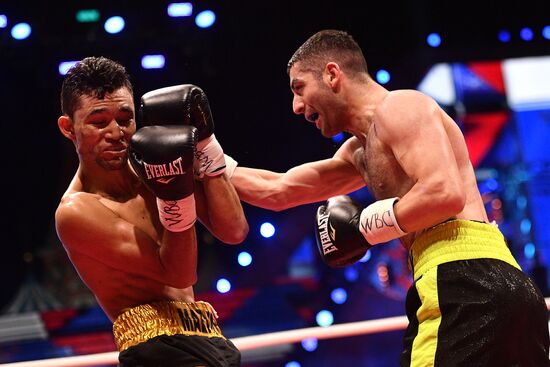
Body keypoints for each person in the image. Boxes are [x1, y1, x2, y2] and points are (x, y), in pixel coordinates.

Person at [228, 30, 550, 366]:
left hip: (464, 279)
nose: (296, 106)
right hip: (490, 283)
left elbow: (444, 192)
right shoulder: (360, 150)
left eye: (299, 88)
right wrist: (207, 161)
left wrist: (365, 227)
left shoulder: (400, 106)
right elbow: (280, 190)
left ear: (332, 74)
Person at [55, 56, 248, 366]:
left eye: (125, 118)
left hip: (208, 335)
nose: (115, 131)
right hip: (154, 348)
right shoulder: (76, 210)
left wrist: (206, 146)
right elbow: (179, 273)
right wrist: (176, 192)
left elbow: (233, 230)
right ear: (68, 128)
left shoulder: (154, 163)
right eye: (99, 121)